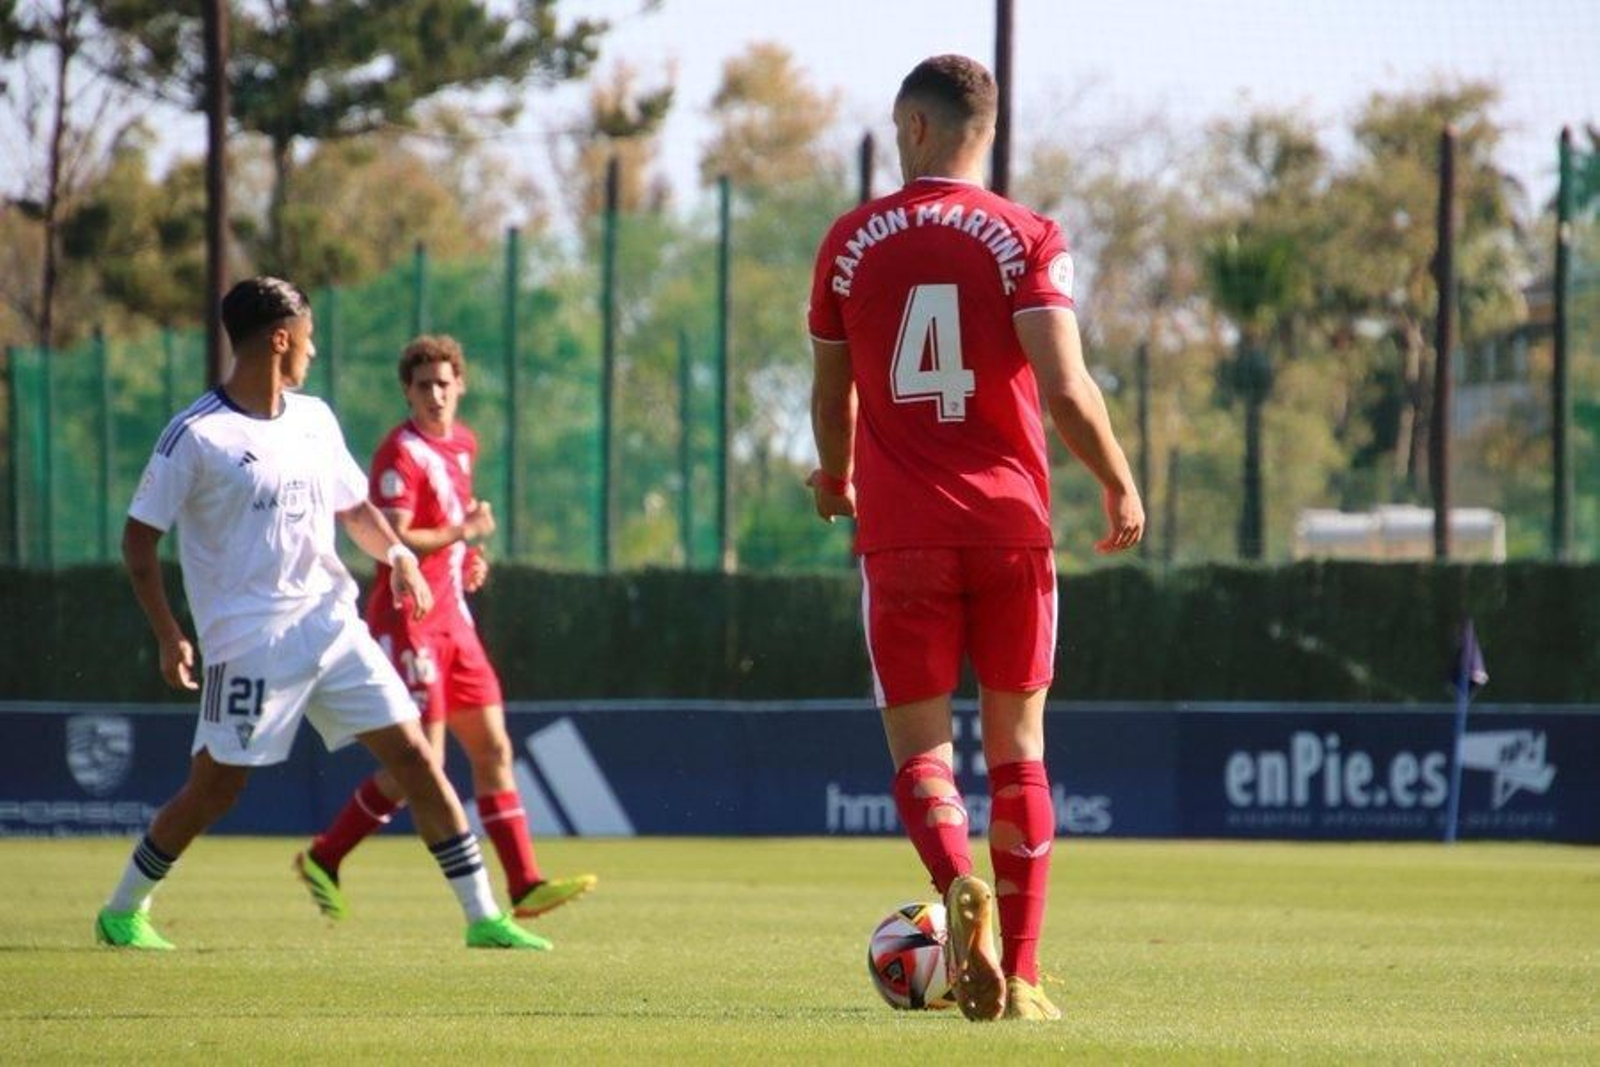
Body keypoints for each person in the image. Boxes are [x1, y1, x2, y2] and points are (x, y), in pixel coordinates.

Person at [806, 56, 1144, 1022]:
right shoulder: (1027, 235)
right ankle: (1025, 971)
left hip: (902, 534)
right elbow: (1068, 387)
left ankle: (958, 881)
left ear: (912, 127)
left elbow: (835, 396)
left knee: (922, 755)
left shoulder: (850, 241)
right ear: (983, 134)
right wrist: (1117, 479)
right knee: (1020, 750)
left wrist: (838, 481)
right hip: (1010, 528)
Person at [98, 277, 546, 951]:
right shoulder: (196, 435)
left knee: (418, 758)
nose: (314, 349)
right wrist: (169, 634)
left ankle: (484, 916)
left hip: (334, 625)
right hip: (248, 641)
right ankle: (123, 908)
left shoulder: (314, 418)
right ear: (281, 339)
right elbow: (139, 539)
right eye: (308, 337)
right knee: (216, 789)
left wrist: (395, 557)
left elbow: (357, 511)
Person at [293, 335, 596, 922]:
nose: (435, 394)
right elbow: (398, 540)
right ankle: (325, 855)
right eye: (423, 385)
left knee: (494, 749)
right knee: (422, 767)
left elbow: (448, 532)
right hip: (411, 622)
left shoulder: (462, 444)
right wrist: (463, 534)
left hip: (457, 620)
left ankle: (525, 884)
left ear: (460, 386)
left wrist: (467, 559)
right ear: (407, 392)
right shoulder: (398, 453)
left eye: (443, 383)